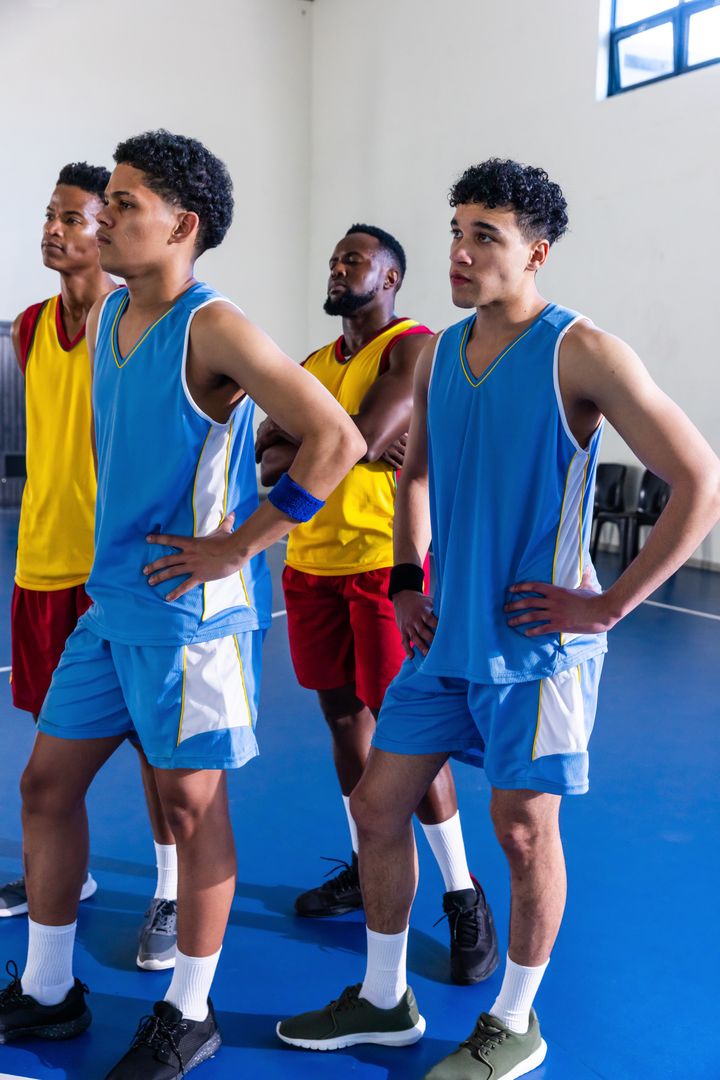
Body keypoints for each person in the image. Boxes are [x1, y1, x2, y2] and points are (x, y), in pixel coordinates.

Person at [277, 158, 720, 1078]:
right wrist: (405, 577)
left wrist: (609, 603)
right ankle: (384, 998)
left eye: (488, 236)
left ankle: (516, 1021)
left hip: (537, 648)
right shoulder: (438, 351)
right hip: (443, 639)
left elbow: (701, 482)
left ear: (537, 252)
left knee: (524, 832)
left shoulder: (583, 352)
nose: (462, 252)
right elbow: (418, 475)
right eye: (458, 231)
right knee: (377, 804)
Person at [0, 129, 364, 1080]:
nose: (107, 216)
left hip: (189, 621)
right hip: (110, 603)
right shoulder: (116, 315)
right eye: (107, 202)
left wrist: (240, 544)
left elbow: (334, 436)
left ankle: (189, 1012)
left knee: (193, 812)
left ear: (183, 224)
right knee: (46, 787)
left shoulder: (215, 325)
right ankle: (47, 990)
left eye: (124, 203)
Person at [256, 224, 497, 985]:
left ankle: (462, 893)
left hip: (378, 564)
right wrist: (337, 445)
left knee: (410, 737)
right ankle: (367, 866)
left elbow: (359, 437)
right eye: (334, 258)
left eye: (353, 260)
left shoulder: (410, 347)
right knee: (342, 720)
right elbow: (266, 456)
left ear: (390, 276)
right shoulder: (310, 363)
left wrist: (334, 441)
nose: (337, 267)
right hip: (310, 563)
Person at [4, 161, 179, 974]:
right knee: (51, 750)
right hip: (41, 559)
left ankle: (171, 891)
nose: (57, 228)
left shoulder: (135, 317)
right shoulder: (30, 326)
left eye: (73, 217)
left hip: (115, 573)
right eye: (52, 215)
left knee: (156, 748)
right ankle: (60, 880)